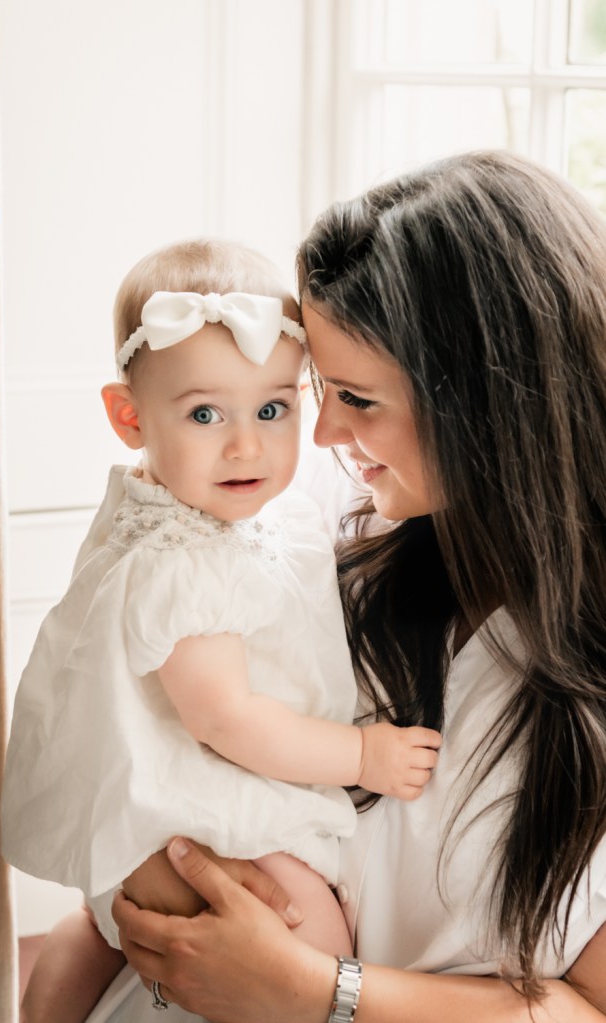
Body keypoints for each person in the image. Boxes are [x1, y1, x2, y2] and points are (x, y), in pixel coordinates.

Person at [105, 150, 606, 1023]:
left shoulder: (575, 671)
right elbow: (154, 768)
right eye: (316, 391)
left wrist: (314, 994)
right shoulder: (325, 535)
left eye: (357, 399)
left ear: (486, 405)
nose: (325, 430)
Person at [1, 239, 442, 1023]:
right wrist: (362, 755)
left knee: (94, 930)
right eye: (206, 413)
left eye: (272, 409)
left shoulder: (173, 507)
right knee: (314, 927)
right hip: (197, 793)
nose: (246, 445)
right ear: (127, 416)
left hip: (144, 794)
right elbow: (225, 718)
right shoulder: (186, 562)